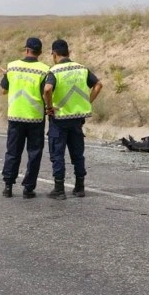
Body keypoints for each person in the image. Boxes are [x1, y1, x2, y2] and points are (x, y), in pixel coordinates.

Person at [42, 39, 103, 199]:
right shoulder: (82, 69)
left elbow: (47, 89)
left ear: (54, 54)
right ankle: (79, 187)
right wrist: (88, 101)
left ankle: (59, 189)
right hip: (77, 118)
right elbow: (98, 85)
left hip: (59, 118)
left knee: (58, 154)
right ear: (69, 53)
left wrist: (49, 107)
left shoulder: (54, 71)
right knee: (77, 154)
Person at [0, 37, 50, 198]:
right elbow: (46, 92)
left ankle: (8, 186)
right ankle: (28, 188)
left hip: (15, 116)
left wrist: (9, 76)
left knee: (13, 151)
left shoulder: (11, 67)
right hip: (35, 117)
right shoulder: (44, 69)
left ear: (26, 49)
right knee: (34, 153)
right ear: (40, 52)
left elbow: (3, 89)